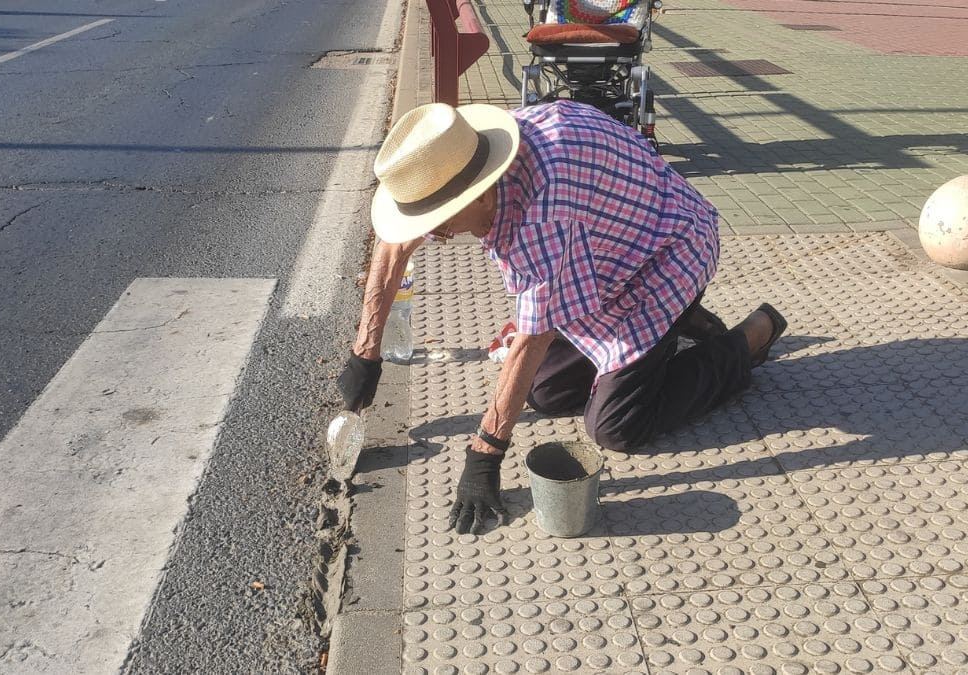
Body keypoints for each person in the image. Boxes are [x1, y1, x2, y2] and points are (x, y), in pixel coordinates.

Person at [336, 100, 786, 534]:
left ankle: (745, 340)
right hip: (606, 254)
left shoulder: (542, 217)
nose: (439, 235)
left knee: (615, 427)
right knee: (545, 391)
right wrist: (365, 355)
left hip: (668, 250)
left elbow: (533, 337)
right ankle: (674, 330)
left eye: (441, 222)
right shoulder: (466, 150)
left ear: (479, 194)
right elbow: (394, 247)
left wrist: (485, 455)